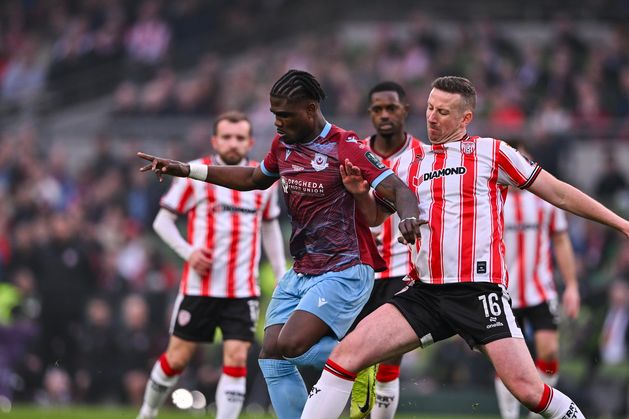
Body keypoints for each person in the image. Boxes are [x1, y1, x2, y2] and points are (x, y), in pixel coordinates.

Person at [300, 76, 629, 419]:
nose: (431, 117)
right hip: (424, 294)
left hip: (478, 292)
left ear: (465, 118)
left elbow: (558, 192)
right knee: (345, 356)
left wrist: (620, 223)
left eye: (442, 111)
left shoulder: (493, 152)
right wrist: (356, 192)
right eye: (429, 108)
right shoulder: (409, 162)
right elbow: (373, 218)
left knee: (530, 391)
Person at [137, 69, 422, 419]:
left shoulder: (345, 146)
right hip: (303, 269)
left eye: (284, 114)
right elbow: (254, 178)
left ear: (310, 108)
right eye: (274, 114)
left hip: (346, 267)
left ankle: (360, 360)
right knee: (271, 356)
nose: (277, 122)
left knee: (291, 344)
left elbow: (400, 190)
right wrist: (187, 170)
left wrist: (409, 217)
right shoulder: (283, 146)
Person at [137, 111, 287, 419]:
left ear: (250, 141)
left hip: (243, 289)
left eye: (240, 138)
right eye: (227, 137)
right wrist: (188, 251)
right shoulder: (195, 174)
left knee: (235, 356)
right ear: (215, 141)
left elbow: (270, 225)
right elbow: (162, 221)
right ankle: (147, 413)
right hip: (199, 286)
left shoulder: (264, 180)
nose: (233, 143)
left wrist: (281, 269)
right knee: (177, 359)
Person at [349, 81, 423, 419]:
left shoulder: (423, 156)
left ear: (405, 110)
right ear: (370, 113)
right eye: (377, 109)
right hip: (360, 270)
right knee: (355, 355)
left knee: (390, 357)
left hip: (403, 271)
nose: (384, 115)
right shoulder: (354, 153)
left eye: (391, 108)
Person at [495, 142, 580, 419]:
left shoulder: (545, 199)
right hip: (504, 293)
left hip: (540, 290)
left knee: (550, 351)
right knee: (506, 361)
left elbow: (561, 240)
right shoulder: (493, 197)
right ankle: (510, 416)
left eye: (523, 158)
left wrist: (572, 286)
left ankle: (539, 414)